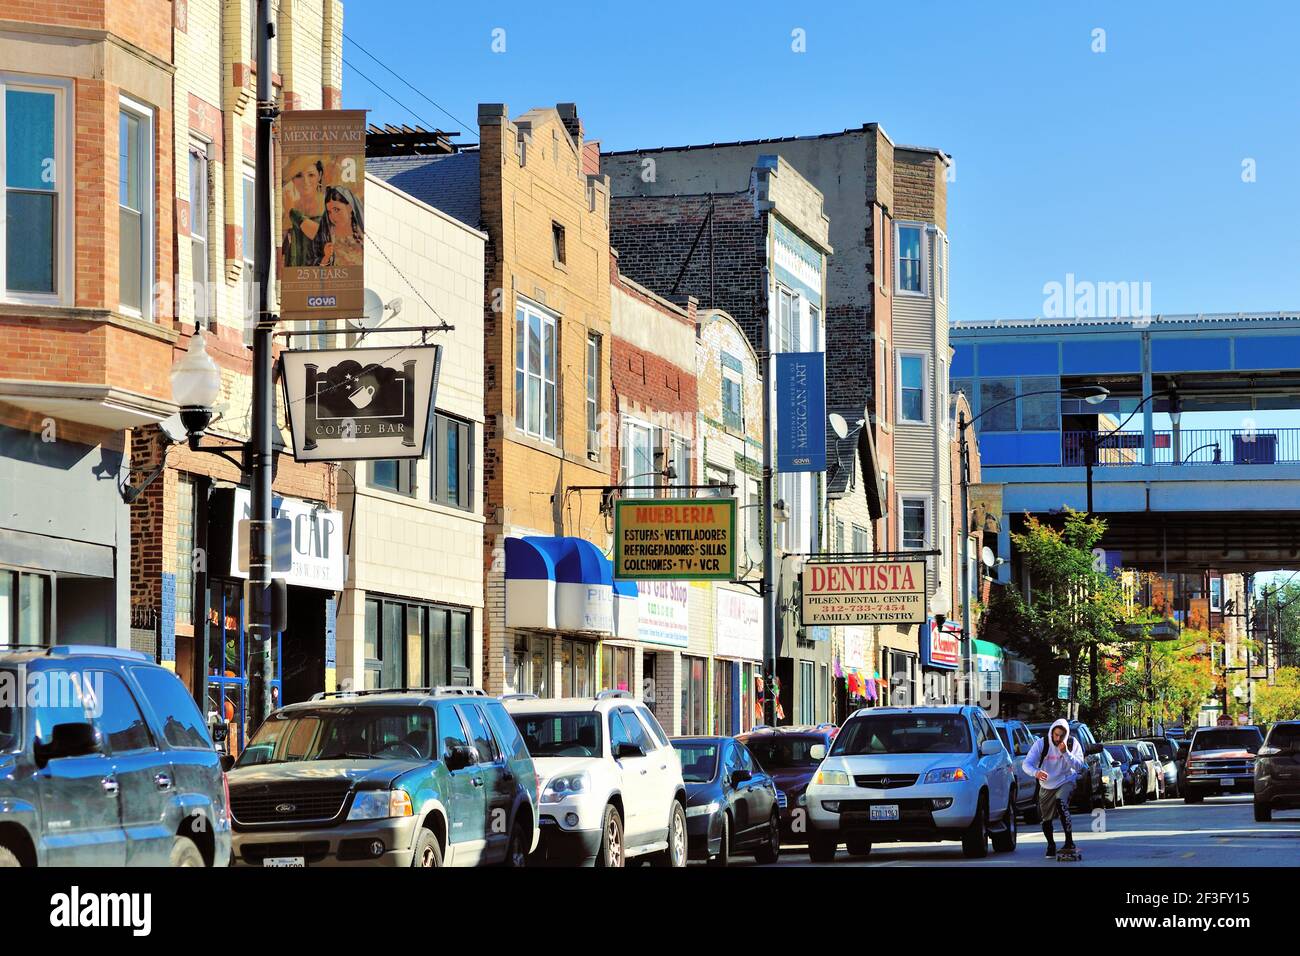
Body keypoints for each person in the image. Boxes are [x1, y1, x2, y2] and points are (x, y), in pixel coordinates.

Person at [1023, 718, 1088, 857]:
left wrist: (1065, 753)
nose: (1058, 739)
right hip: (1046, 784)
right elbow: (1026, 764)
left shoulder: (1072, 744)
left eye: (1061, 736)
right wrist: (1036, 772)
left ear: (1066, 735)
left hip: (1066, 780)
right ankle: (1051, 845)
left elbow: (1079, 766)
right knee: (1046, 818)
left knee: (1061, 802)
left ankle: (1069, 841)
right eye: (1056, 735)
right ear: (1051, 732)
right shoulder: (1042, 744)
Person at [282, 157, 328, 267]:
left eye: (311, 175)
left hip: (320, 275)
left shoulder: (329, 204)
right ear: (293, 179)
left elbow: (318, 235)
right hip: (294, 275)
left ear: (320, 176)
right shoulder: (290, 205)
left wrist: (292, 212)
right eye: (298, 176)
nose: (305, 182)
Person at [321, 184, 364, 267]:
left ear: (349, 207)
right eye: (329, 212)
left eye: (336, 210)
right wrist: (326, 257)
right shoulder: (329, 237)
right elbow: (320, 272)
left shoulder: (361, 236)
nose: (333, 216)